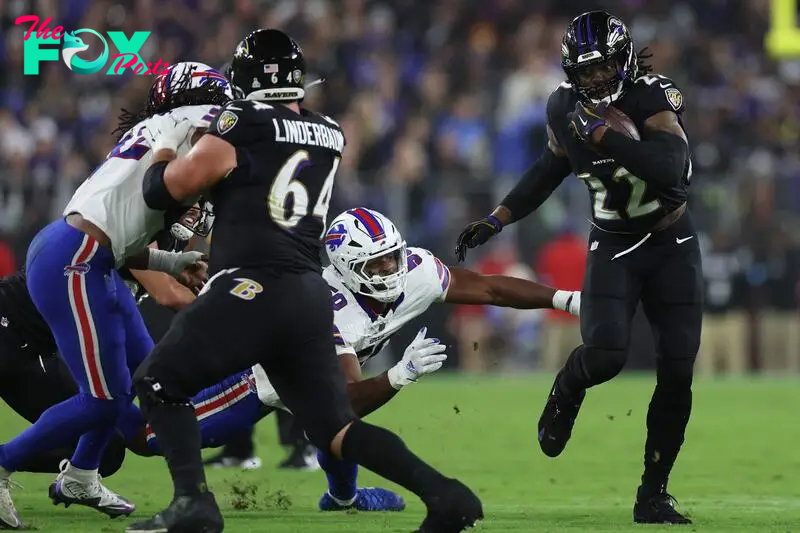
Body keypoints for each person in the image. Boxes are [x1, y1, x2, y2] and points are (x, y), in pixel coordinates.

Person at [126, 29, 484, 533]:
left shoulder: (241, 121)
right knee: (335, 427)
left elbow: (164, 191)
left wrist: (164, 144)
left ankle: (192, 502)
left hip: (249, 284)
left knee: (156, 383)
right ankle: (446, 495)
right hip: (307, 294)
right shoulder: (330, 131)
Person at [125, 207, 580, 515]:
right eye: (375, 267)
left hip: (312, 385)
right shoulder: (324, 305)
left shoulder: (416, 271)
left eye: (392, 259)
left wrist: (564, 298)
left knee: (328, 423)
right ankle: (78, 454)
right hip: (256, 382)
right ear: (344, 269)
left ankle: (343, 500)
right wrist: (399, 376)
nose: (390, 272)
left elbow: (489, 287)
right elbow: (347, 400)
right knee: (142, 437)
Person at [455, 11, 701, 525]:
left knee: (677, 370)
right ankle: (568, 384)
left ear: (625, 59)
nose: (594, 80)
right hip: (613, 241)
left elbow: (670, 174)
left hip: (670, 240)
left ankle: (653, 494)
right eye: (584, 71)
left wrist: (606, 139)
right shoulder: (563, 107)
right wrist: (497, 219)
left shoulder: (653, 98)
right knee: (607, 354)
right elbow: (550, 167)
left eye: (603, 67)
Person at [0, 62, 229, 529]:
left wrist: (170, 262)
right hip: (79, 258)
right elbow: (157, 195)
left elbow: (122, 236)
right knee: (105, 399)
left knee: (138, 388)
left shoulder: (157, 128)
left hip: (86, 253)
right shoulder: (186, 126)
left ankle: (81, 474)